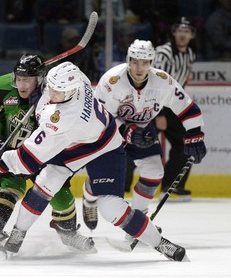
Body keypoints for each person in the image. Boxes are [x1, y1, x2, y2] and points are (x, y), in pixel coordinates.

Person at [0, 61, 189, 261]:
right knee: (46, 182)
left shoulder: (60, 119)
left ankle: (161, 244)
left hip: (103, 148)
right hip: (80, 141)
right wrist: (45, 87)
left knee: (110, 207)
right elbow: (59, 77)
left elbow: (28, 161)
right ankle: (18, 234)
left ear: (69, 91)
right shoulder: (74, 75)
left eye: (56, 91)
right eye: (49, 86)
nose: (50, 92)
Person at [0, 54, 94, 253]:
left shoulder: (54, 94)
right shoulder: (3, 86)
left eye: (27, 80)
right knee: (9, 189)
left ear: (39, 80)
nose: (21, 85)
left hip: (44, 157)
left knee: (61, 198)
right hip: (13, 155)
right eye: (19, 79)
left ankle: (68, 233)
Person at [82, 40, 206, 233]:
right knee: (102, 179)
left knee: (155, 171)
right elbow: (100, 119)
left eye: (145, 62)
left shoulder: (163, 81)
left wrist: (195, 134)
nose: (139, 67)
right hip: (109, 135)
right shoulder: (112, 81)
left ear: (151, 63)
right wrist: (126, 131)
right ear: (128, 60)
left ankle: (139, 221)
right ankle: (89, 201)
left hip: (142, 130)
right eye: (135, 62)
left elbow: (187, 107)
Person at [154, 17, 197, 201]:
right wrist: (160, 113)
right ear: (173, 33)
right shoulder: (163, 53)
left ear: (191, 35)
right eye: (180, 30)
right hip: (153, 105)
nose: (182, 34)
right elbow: (157, 82)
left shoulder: (190, 55)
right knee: (135, 144)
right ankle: (121, 189)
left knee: (187, 144)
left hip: (172, 107)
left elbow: (182, 83)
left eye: (186, 31)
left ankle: (173, 186)